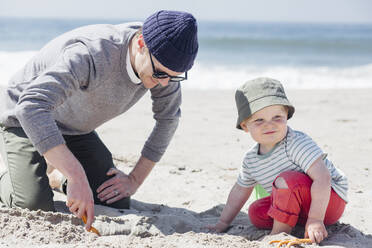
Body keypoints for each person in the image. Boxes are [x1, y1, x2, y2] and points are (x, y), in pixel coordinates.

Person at [0, 10, 198, 231]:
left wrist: (134, 180)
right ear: (142, 43)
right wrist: (76, 175)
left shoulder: (163, 65)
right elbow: (31, 106)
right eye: (161, 74)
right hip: (24, 120)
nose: (165, 84)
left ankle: (57, 176)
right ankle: (11, 178)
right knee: (33, 203)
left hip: (76, 129)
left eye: (174, 76)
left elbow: (168, 119)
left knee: (115, 198)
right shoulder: (92, 53)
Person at [208, 77, 348, 244]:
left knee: (286, 179)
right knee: (256, 211)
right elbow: (239, 191)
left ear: (286, 116)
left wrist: (316, 218)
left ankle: (280, 234)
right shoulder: (251, 160)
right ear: (245, 126)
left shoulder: (295, 143)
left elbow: (323, 177)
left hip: (328, 199)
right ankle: (296, 224)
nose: (269, 125)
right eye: (259, 120)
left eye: (277, 117)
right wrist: (223, 223)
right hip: (299, 205)